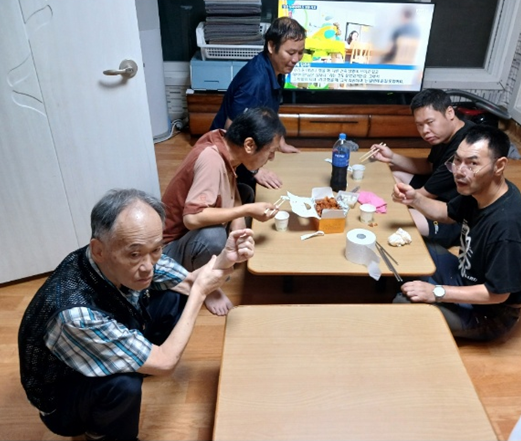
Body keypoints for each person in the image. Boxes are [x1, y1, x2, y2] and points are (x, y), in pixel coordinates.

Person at [18, 188, 255, 441]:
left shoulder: (130, 251)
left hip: (104, 332)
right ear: (99, 250)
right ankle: (100, 433)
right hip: (63, 402)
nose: (148, 266)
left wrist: (225, 260)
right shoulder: (74, 315)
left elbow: (187, 282)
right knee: (124, 385)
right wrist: (200, 294)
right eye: (134, 254)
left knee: (173, 297)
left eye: (157, 249)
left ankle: (140, 362)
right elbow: (166, 362)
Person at [391, 125, 521, 341]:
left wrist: (437, 292)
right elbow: (446, 213)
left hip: (491, 313)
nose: (460, 171)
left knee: (402, 304)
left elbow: (498, 294)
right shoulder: (481, 189)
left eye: (472, 164)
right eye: (457, 161)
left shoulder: (508, 226)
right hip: (464, 276)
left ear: (499, 166)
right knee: (410, 245)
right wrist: (415, 198)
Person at [162, 107, 284, 314]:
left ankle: (224, 253)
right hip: (170, 249)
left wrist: (238, 225)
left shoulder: (224, 141)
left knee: (245, 191)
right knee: (213, 236)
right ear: (249, 145)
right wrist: (246, 210)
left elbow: (231, 187)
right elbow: (192, 217)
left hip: (188, 234)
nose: (271, 158)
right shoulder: (211, 160)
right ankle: (207, 286)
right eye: (270, 152)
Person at [367, 88, 475, 248]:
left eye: (430, 122)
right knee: (395, 172)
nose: (425, 131)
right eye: (419, 125)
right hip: (438, 197)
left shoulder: (464, 147)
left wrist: (379, 201)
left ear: (450, 112)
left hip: (454, 217)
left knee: (390, 217)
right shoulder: (446, 134)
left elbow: (426, 194)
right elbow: (429, 166)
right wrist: (392, 157)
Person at [210, 16, 306, 190]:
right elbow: (231, 133)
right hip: (225, 157)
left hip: (248, 153)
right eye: (291, 52)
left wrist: (281, 143)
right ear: (271, 46)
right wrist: (255, 171)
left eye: (300, 53)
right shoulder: (254, 83)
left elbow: (270, 115)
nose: (296, 59)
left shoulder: (276, 70)